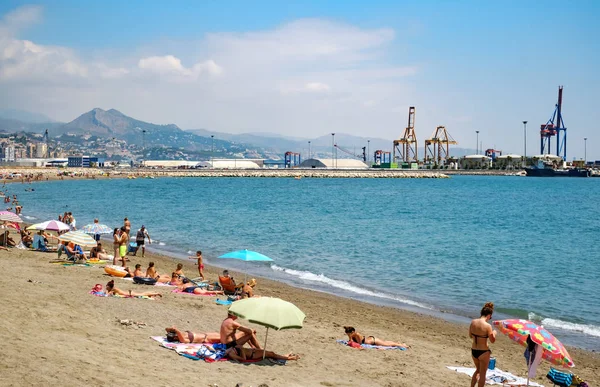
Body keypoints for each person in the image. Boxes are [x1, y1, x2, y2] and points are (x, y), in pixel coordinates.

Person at [469, 302, 497, 387]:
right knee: (482, 374)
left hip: (474, 351)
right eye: (490, 317)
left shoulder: (473, 322)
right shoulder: (488, 326)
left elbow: (470, 336)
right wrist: (494, 333)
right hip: (483, 352)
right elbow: (492, 340)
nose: (490, 318)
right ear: (489, 315)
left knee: (477, 370)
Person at [343, 326, 409, 348]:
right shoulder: (354, 335)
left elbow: (360, 343)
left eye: (349, 334)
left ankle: (403, 345)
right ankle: (399, 343)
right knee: (385, 342)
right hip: (371, 339)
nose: (348, 335)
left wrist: (350, 338)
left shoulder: (357, 334)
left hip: (374, 341)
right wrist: (350, 338)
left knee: (387, 344)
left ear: (352, 332)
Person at [226, 345, 300, 362]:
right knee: (272, 354)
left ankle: (286, 356)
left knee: (272, 353)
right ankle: (290, 358)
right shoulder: (231, 354)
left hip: (253, 351)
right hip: (253, 355)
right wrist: (242, 350)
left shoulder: (231, 349)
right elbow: (243, 359)